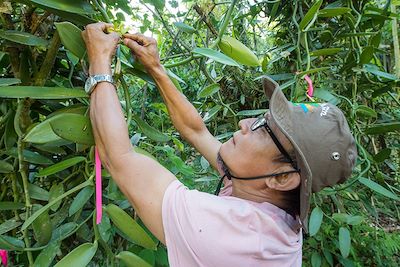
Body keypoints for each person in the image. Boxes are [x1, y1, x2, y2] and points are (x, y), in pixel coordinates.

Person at [82, 22, 357, 266]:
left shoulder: (237, 236)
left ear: (283, 178)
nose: (244, 124)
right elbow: (196, 131)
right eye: (261, 118)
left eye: (264, 130)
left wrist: (99, 59)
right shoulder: (269, 202)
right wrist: (155, 68)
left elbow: (117, 156)